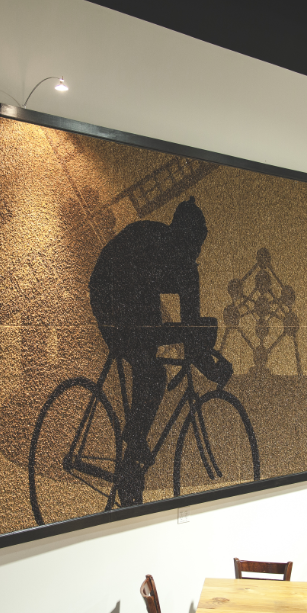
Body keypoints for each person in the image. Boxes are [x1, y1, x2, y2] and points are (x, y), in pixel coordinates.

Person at [89, 196, 230, 506]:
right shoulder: (153, 242)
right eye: (193, 241)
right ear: (178, 233)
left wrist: (209, 361)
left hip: (137, 294)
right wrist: (201, 351)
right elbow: (157, 330)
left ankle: (131, 463)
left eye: (199, 243)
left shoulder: (187, 271)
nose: (196, 250)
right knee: (151, 371)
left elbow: (190, 333)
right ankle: (133, 451)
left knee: (150, 359)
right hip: (111, 288)